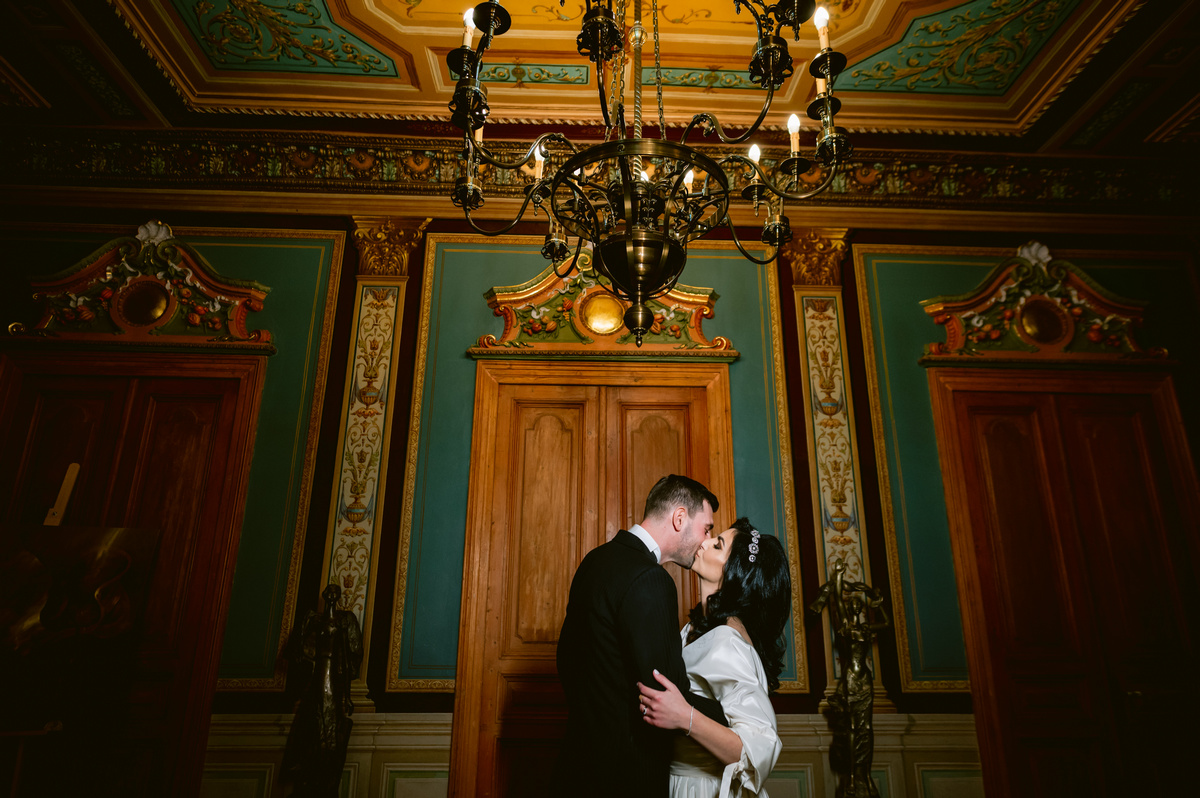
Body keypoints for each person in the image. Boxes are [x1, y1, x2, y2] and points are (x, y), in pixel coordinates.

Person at [555, 474, 731, 798]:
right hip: (627, 775)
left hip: (577, 765)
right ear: (680, 518)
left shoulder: (595, 560)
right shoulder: (651, 579)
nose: (706, 541)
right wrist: (732, 717)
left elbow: (568, 660)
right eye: (706, 528)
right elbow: (666, 693)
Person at [637, 518, 791, 798]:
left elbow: (759, 748)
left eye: (717, 545)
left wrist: (685, 717)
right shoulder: (694, 629)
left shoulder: (726, 641)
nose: (704, 542)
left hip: (702, 789)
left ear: (735, 574)